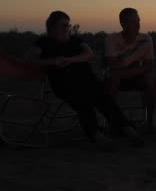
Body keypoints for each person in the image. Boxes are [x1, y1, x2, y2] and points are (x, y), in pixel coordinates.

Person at [26, 10, 144, 150]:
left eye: (68, 25)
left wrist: (70, 60)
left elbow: (89, 54)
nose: (66, 28)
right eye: (63, 25)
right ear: (52, 26)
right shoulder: (43, 42)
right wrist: (53, 61)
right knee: (82, 101)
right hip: (63, 83)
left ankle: (126, 129)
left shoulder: (75, 40)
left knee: (104, 98)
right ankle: (97, 136)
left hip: (87, 79)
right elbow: (29, 60)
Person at [104, 8, 156, 133]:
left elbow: (149, 66)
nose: (138, 24)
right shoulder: (111, 40)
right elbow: (112, 64)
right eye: (133, 21)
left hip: (136, 77)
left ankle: (149, 123)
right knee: (113, 79)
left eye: (138, 21)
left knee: (151, 80)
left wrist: (124, 69)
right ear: (123, 23)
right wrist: (133, 66)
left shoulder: (146, 39)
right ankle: (114, 122)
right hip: (119, 78)